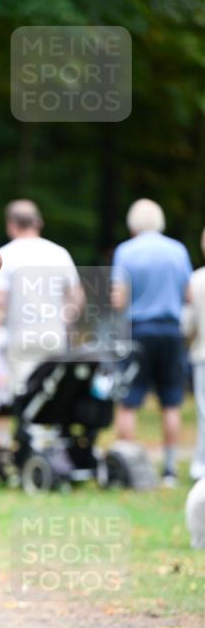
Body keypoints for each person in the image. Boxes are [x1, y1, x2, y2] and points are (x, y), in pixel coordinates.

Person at [111, 199, 192, 487]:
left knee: (128, 401)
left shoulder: (126, 251)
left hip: (138, 333)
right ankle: (169, 469)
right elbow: (189, 294)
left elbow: (118, 298)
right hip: (171, 332)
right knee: (171, 401)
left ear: (133, 224)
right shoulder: (178, 250)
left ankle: (129, 470)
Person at [0, 199, 81, 395]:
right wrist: (65, 321)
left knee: (23, 395)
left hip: (20, 336)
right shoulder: (59, 253)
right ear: (38, 222)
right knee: (52, 396)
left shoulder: (4, 256)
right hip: (55, 335)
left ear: (11, 225)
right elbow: (76, 296)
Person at [182, 228, 205, 481]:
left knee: (204, 412)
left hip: (202, 354)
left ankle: (201, 468)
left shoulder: (197, 280)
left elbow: (189, 323)